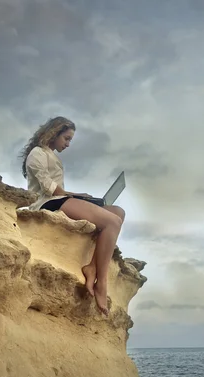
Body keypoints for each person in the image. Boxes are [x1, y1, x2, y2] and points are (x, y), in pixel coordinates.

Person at [19, 116, 125, 316]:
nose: (67, 144)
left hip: (59, 199)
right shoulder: (37, 154)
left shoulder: (51, 154)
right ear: (54, 133)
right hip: (46, 203)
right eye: (66, 139)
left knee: (118, 212)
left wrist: (79, 196)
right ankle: (101, 282)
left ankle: (92, 266)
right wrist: (76, 196)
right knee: (112, 221)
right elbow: (49, 189)